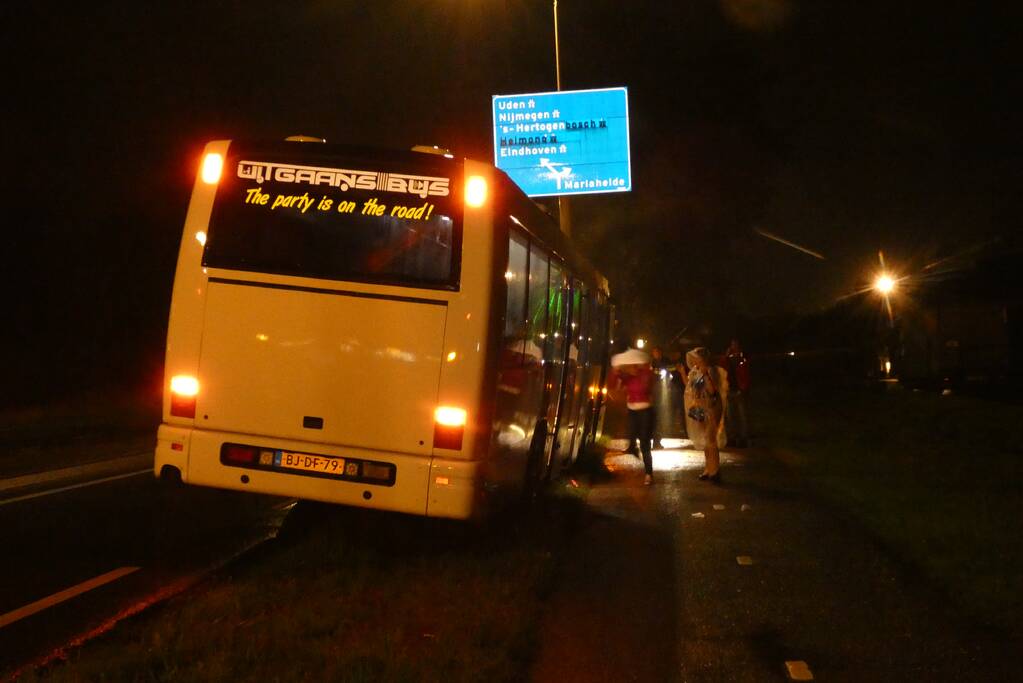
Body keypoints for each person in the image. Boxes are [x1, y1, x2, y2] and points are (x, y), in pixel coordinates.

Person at [609, 338, 656, 485]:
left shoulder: (645, 374)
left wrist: (641, 372)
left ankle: (649, 473)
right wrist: (616, 373)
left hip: (645, 411)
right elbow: (613, 385)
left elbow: (646, 387)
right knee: (630, 435)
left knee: (645, 443)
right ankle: (633, 449)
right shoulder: (627, 377)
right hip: (632, 410)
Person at [684, 347, 728, 483]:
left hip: (711, 407)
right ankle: (708, 469)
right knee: (705, 440)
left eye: (695, 358)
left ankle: (715, 471)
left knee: (711, 439)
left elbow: (712, 390)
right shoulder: (695, 371)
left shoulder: (712, 371)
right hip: (700, 407)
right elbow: (690, 387)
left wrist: (706, 375)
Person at [723, 339, 751, 447]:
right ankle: (732, 438)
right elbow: (724, 368)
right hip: (730, 389)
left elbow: (745, 373)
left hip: (740, 390)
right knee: (730, 416)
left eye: (735, 344)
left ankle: (744, 438)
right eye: (732, 344)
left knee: (742, 416)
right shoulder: (728, 358)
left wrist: (743, 388)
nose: (734, 347)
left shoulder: (743, 358)